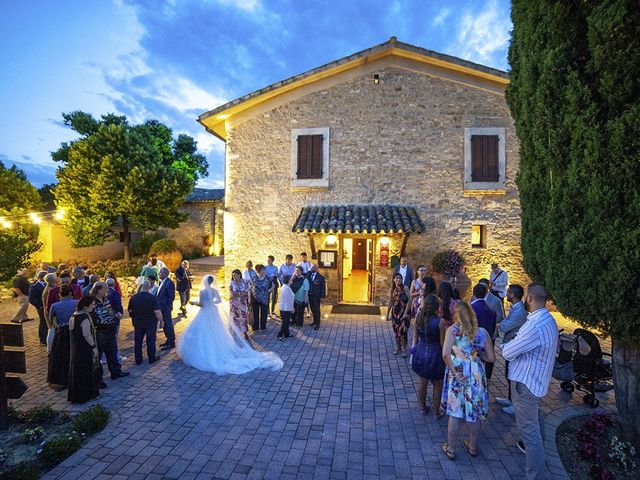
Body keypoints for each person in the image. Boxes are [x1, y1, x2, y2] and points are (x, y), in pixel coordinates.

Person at [501, 284, 558, 479]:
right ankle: (539, 457)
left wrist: (507, 344)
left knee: (529, 432)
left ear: (530, 298)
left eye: (526, 296)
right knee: (536, 421)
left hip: (526, 384)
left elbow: (508, 353)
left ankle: (535, 473)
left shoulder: (534, 325)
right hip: (538, 381)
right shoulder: (548, 320)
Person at [176, 275, 283, 374]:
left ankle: (203, 352)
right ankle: (217, 347)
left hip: (205, 312)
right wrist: (211, 303)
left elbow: (201, 304)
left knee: (203, 330)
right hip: (213, 311)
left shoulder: (203, 292)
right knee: (215, 330)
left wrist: (194, 303)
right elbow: (218, 301)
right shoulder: (214, 291)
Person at [441, 302, 495, 460]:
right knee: (474, 413)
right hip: (476, 375)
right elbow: (491, 358)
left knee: (455, 413)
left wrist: (453, 371)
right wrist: (476, 356)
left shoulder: (453, 330)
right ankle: (472, 447)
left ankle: (451, 449)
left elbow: (445, 354)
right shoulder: (482, 332)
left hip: (458, 372)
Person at [411, 294, 446, 419]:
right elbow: (443, 344)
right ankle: (436, 412)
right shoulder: (440, 323)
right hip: (435, 354)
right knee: (438, 384)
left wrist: (413, 351)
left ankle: (422, 407)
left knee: (423, 382)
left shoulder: (418, 318)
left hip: (421, 352)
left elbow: (415, 338)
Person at [496, 284, 528, 415]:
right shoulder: (515, 308)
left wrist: (501, 324)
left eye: (508, 292)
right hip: (511, 345)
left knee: (514, 376)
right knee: (509, 374)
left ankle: (516, 405)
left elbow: (504, 326)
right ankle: (510, 399)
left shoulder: (520, 311)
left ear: (513, 295)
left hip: (515, 347)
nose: (506, 294)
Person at [90, 282, 129, 380]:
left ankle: (116, 372)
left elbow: (110, 310)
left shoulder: (105, 299)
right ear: (99, 291)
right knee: (98, 356)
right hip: (100, 332)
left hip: (110, 330)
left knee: (112, 352)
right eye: (105, 289)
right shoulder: (91, 301)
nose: (107, 290)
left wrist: (116, 315)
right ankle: (98, 379)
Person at [68, 296, 101, 403]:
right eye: (92, 305)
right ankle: (87, 395)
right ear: (86, 306)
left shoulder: (73, 315)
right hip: (84, 348)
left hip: (75, 347)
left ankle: (76, 395)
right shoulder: (84, 317)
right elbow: (87, 334)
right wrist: (93, 347)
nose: (93, 307)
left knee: (77, 371)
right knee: (86, 371)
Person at [47, 285, 77, 390]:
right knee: (73, 355)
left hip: (61, 332)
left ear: (60, 294)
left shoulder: (55, 306)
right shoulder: (76, 303)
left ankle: (62, 379)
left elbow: (51, 319)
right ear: (70, 293)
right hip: (73, 331)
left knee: (60, 357)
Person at [128, 280, 162, 365]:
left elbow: (130, 310)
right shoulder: (153, 298)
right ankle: (151, 358)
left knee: (138, 340)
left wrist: (134, 316)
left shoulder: (134, 297)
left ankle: (138, 359)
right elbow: (157, 311)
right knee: (150, 340)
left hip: (138, 321)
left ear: (142, 286)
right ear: (149, 287)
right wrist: (161, 320)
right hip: (150, 322)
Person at [470, 283, 497, 381]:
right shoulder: (491, 309)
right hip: (486, 341)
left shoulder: (470, 308)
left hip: (471, 343)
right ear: (486, 293)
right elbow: (493, 327)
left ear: (473, 293)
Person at [387, 273, 411, 356]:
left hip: (405, 313)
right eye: (396, 278)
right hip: (395, 313)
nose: (398, 280)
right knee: (396, 331)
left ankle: (404, 348)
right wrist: (387, 314)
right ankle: (398, 347)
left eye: (400, 278)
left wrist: (405, 313)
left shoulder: (405, 288)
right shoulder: (392, 289)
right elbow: (391, 302)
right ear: (394, 280)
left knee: (403, 331)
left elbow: (409, 301)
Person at [106, 277, 126, 363]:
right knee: (115, 337)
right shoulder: (115, 293)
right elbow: (118, 305)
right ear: (114, 284)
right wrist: (119, 313)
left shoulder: (104, 293)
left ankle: (104, 358)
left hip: (105, 318)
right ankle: (117, 356)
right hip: (114, 317)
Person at [156, 267, 176, 350]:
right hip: (161, 307)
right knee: (164, 325)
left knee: (168, 325)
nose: (159, 274)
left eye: (160, 272)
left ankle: (171, 342)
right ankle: (168, 340)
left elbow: (171, 297)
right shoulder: (162, 282)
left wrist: (167, 307)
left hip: (166, 308)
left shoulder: (169, 283)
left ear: (165, 274)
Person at [229, 269, 250, 338]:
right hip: (234, 303)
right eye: (233, 275)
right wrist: (237, 294)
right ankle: (235, 331)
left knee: (243, 317)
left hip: (242, 302)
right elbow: (231, 291)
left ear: (239, 275)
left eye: (235, 275)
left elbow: (247, 291)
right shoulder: (231, 282)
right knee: (235, 316)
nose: (234, 276)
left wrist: (241, 294)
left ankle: (245, 332)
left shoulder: (244, 282)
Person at [251, 264, 272, 332]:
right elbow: (251, 287)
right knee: (255, 314)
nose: (263, 271)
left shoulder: (267, 278)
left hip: (264, 299)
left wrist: (269, 290)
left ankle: (263, 327)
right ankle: (256, 328)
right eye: (262, 270)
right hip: (255, 299)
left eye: (264, 270)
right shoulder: (254, 278)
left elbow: (273, 285)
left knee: (264, 314)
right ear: (258, 271)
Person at [29, 271, 48, 346]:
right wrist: (40, 307)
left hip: (49, 306)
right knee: (43, 323)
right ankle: (43, 340)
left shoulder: (48, 284)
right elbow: (31, 299)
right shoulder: (34, 287)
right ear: (42, 277)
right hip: (41, 308)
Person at [42, 272, 58, 351]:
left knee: (52, 329)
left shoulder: (48, 288)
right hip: (49, 311)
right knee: (52, 329)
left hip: (48, 310)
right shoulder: (49, 289)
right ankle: (50, 348)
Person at [307, 264, 326, 331]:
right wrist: (309, 271)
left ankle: (317, 324)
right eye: (312, 267)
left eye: (314, 267)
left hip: (316, 296)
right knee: (312, 308)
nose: (312, 268)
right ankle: (314, 321)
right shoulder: (309, 275)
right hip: (310, 295)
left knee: (316, 309)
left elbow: (323, 288)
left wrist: (322, 297)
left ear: (317, 269)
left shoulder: (321, 277)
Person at [278, 275, 294, 340]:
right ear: (288, 280)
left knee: (286, 322)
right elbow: (288, 300)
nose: (292, 280)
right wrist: (292, 308)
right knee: (285, 323)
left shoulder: (285, 287)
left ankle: (287, 334)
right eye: (291, 279)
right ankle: (280, 335)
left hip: (284, 308)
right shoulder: (286, 288)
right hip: (285, 308)